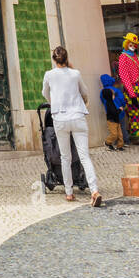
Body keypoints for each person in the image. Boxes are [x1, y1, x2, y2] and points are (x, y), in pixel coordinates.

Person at [42, 46, 102, 206]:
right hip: (77, 116)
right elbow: (85, 90)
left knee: (65, 157)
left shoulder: (49, 75)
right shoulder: (75, 74)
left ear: (54, 59)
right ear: (66, 58)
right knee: (84, 156)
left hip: (60, 118)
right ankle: (94, 190)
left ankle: (69, 193)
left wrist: (53, 103)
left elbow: (44, 93)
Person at [100, 73, 127, 150]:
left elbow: (102, 100)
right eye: (113, 95)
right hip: (116, 115)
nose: (114, 96)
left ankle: (120, 145)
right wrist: (122, 107)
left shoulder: (103, 92)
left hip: (114, 116)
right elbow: (122, 99)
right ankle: (111, 142)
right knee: (120, 130)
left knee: (119, 133)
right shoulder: (115, 90)